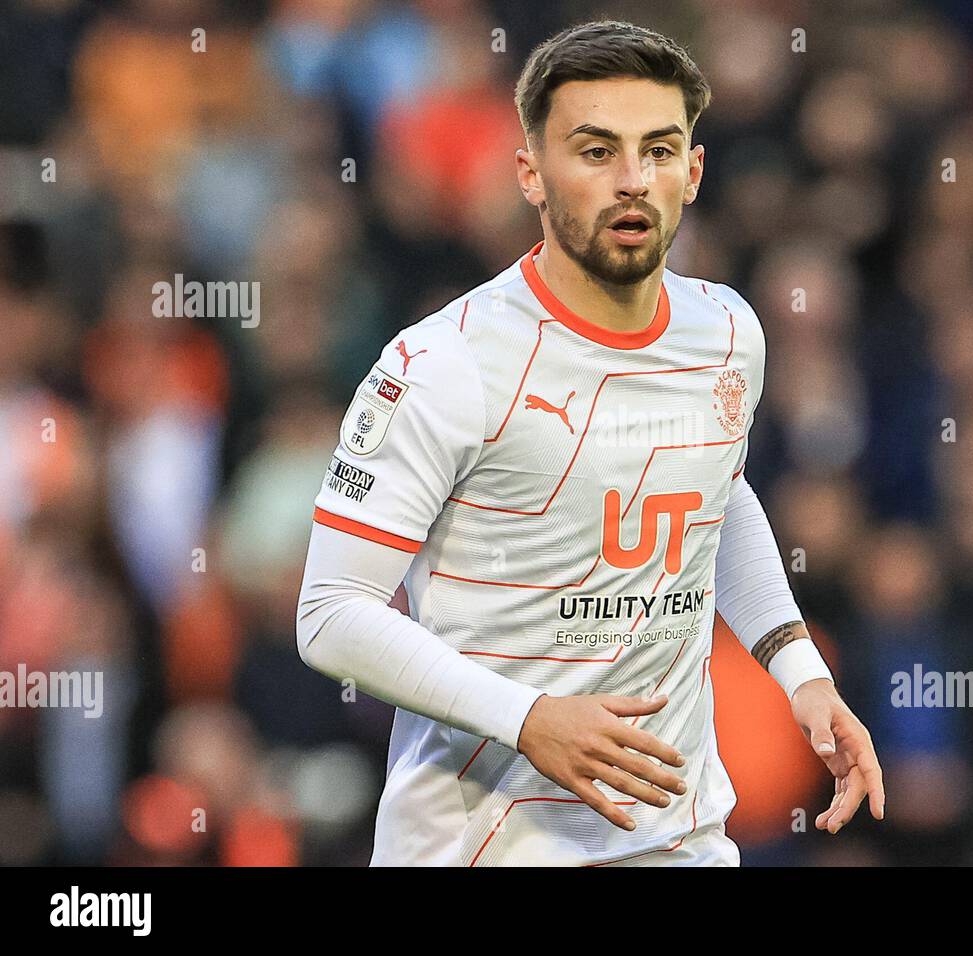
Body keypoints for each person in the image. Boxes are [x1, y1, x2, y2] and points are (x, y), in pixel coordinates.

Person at [296, 19, 885, 866]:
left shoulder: (728, 332)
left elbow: (715, 495)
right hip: (481, 845)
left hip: (676, 838)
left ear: (694, 169)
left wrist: (800, 673)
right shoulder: (445, 364)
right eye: (597, 151)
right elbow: (330, 616)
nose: (633, 181)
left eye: (658, 149)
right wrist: (527, 718)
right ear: (531, 174)